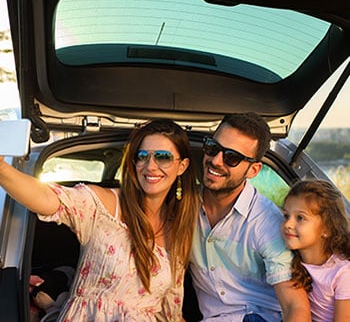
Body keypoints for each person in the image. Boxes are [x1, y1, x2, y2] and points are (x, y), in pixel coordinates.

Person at [0, 118, 200, 321]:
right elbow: (47, 198)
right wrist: (2, 169)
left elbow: (171, 312)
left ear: (182, 166)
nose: (151, 166)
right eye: (142, 156)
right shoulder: (104, 206)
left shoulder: (178, 229)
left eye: (163, 157)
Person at [188, 112, 311, 322]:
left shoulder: (267, 221)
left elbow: (295, 305)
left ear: (253, 170)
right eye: (213, 148)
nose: (216, 161)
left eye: (232, 157)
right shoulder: (184, 209)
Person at [281, 179, 350, 322]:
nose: (288, 224)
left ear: (327, 229)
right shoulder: (285, 257)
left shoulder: (342, 273)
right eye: (286, 215)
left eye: (300, 218)